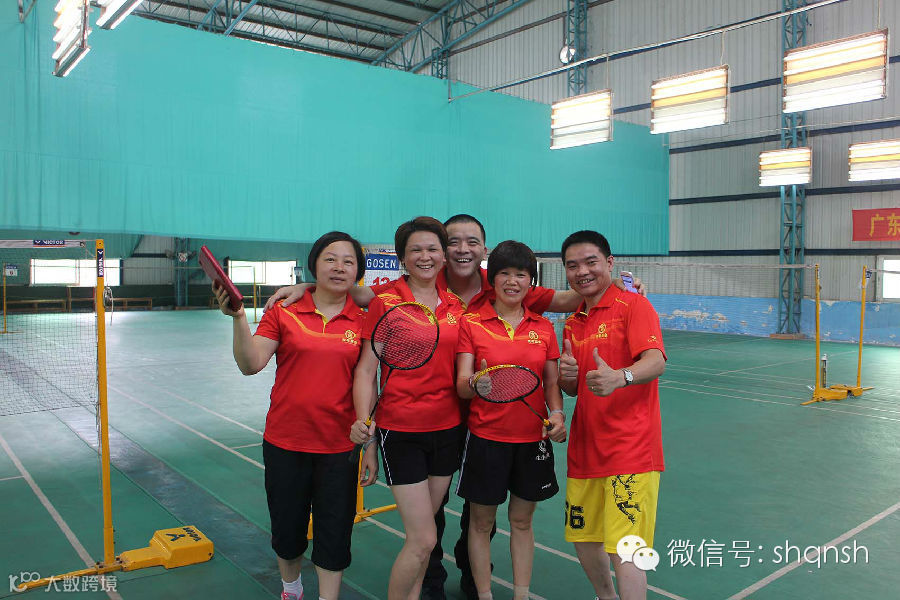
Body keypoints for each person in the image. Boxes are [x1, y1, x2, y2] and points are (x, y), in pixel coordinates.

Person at [264, 215, 646, 600]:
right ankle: (428, 586)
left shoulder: (501, 282)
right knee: (427, 529)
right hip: (417, 424)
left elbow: (568, 298)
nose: (462, 249)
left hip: (473, 423)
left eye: (471, 242)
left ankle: (474, 581)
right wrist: (306, 286)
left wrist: (618, 287)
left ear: (483, 249)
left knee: (476, 515)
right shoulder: (409, 289)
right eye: (452, 242)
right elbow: (355, 295)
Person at [214, 231, 379, 600]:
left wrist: (369, 439)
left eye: (348, 261)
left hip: (339, 447)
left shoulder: (365, 319)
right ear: (314, 265)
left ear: (358, 272)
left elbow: (367, 379)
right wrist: (239, 317)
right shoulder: (284, 310)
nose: (339, 267)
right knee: (288, 530)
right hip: (286, 442)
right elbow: (251, 363)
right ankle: (292, 589)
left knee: (334, 531)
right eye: (330, 259)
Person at [348, 217, 465, 600]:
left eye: (432, 249)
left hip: (447, 430)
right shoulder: (386, 302)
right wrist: (366, 430)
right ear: (402, 257)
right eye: (416, 250)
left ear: (443, 255)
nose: (425, 256)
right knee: (423, 538)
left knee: (424, 541)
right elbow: (366, 370)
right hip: (402, 431)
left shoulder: (455, 305)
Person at [454, 240, 567, 600]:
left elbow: (551, 384)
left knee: (521, 521)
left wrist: (557, 414)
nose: (513, 281)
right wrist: (476, 383)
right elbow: (462, 384)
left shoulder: (544, 328)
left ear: (531, 281)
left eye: (521, 274)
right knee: (481, 522)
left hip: (532, 440)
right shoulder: (472, 324)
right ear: (493, 279)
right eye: (504, 273)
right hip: (486, 439)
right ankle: (484, 594)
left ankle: (521, 594)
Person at [557, 231, 666, 600]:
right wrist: (567, 377)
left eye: (591, 262)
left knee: (626, 547)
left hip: (630, 449)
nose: (582, 272)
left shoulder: (634, 305)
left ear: (609, 263)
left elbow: (655, 361)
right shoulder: (572, 322)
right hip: (585, 450)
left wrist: (622, 377)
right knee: (584, 538)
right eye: (573, 265)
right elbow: (574, 389)